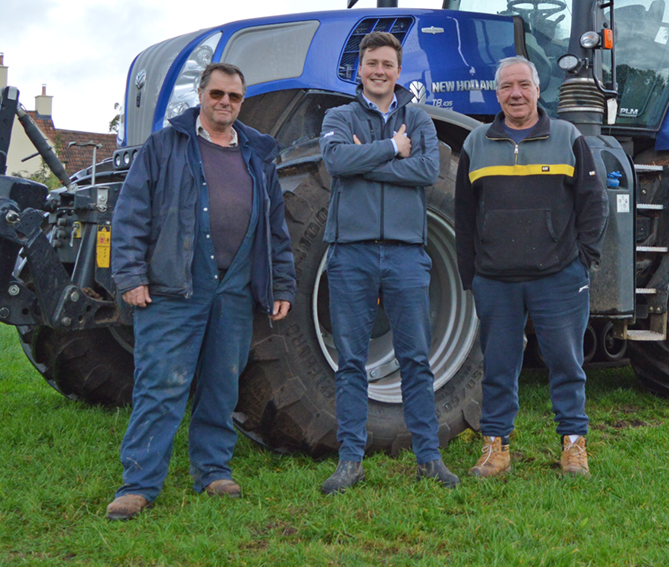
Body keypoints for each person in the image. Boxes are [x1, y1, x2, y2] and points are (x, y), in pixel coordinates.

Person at [106, 62, 296, 520]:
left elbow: (275, 227)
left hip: (234, 288)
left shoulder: (257, 153)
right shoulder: (165, 146)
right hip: (175, 286)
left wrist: (281, 281)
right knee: (161, 385)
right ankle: (139, 483)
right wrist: (130, 275)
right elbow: (131, 213)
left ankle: (212, 470)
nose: (224, 103)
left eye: (233, 96)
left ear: (241, 101)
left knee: (221, 384)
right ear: (201, 94)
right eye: (216, 94)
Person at [317, 30, 459, 494]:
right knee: (351, 361)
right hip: (350, 252)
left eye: (388, 65)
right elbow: (336, 161)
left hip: (404, 254)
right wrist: (390, 150)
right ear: (360, 68)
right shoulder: (338, 115)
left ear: (399, 72)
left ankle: (429, 458)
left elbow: (426, 170)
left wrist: (368, 161)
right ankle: (350, 461)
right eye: (372, 63)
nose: (380, 71)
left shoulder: (417, 118)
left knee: (416, 359)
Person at [454, 56, 607, 477]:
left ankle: (574, 445)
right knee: (498, 366)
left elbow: (594, 203)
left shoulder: (567, 137)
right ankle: (496, 448)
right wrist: (472, 276)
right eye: (506, 87)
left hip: (558, 277)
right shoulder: (476, 144)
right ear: (497, 93)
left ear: (539, 91)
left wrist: (583, 260)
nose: (516, 94)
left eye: (523, 85)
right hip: (496, 281)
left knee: (565, 363)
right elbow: (464, 216)